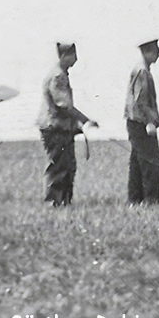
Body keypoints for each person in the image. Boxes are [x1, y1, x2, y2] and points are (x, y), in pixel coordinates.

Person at [37, 42, 97, 206]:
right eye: (73, 55)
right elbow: (64, 105)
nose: (76, 59)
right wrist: (85, 120)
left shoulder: (58, 73)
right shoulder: (58, 76)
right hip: (55, 129)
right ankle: (54, 203)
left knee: (67, 166)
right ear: (64, 56)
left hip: (60, 128)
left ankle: (64, 202)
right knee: (59, 167)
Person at [125, 38, 159, 205]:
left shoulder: (141, 69)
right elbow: (141, 100)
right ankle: (151, 202)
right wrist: (149, 122)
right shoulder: (143, 71)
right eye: (156, 50)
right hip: (141, 124)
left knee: (138, 164)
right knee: (151, 164)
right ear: (148, 51)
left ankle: (135, 201)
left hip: (135, 123)